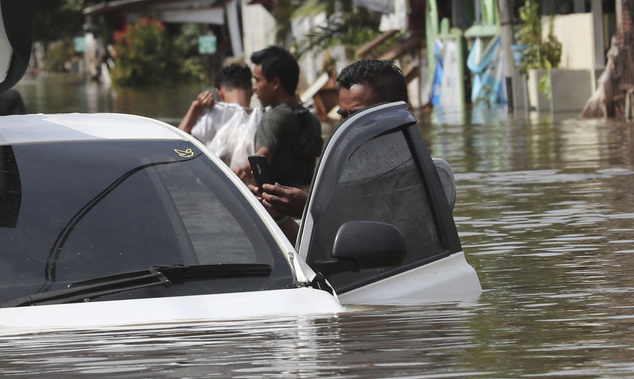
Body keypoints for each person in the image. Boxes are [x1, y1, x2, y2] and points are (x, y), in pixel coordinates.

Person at [258, 58, 455, 238]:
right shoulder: (340, 175)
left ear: (398, 113)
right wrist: (277, 215)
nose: (348, 126)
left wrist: (310, 210)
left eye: (359, 116)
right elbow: (314, 254)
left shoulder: (433, 175)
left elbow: (395, 242)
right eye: (344, 116)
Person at [245, 45, 322, 189]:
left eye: (257, 80)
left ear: (275, 83)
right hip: (305, 202)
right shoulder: (312, 119)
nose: (254, 87)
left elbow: (262, 156)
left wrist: (242, 172)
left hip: (277, 205)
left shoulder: (272, 118)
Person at [177, 62, 259, 171]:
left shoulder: (218, 111)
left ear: (219, 92)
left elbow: (177, 148)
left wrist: (195, 108)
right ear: (252, 90)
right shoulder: (260, 116)